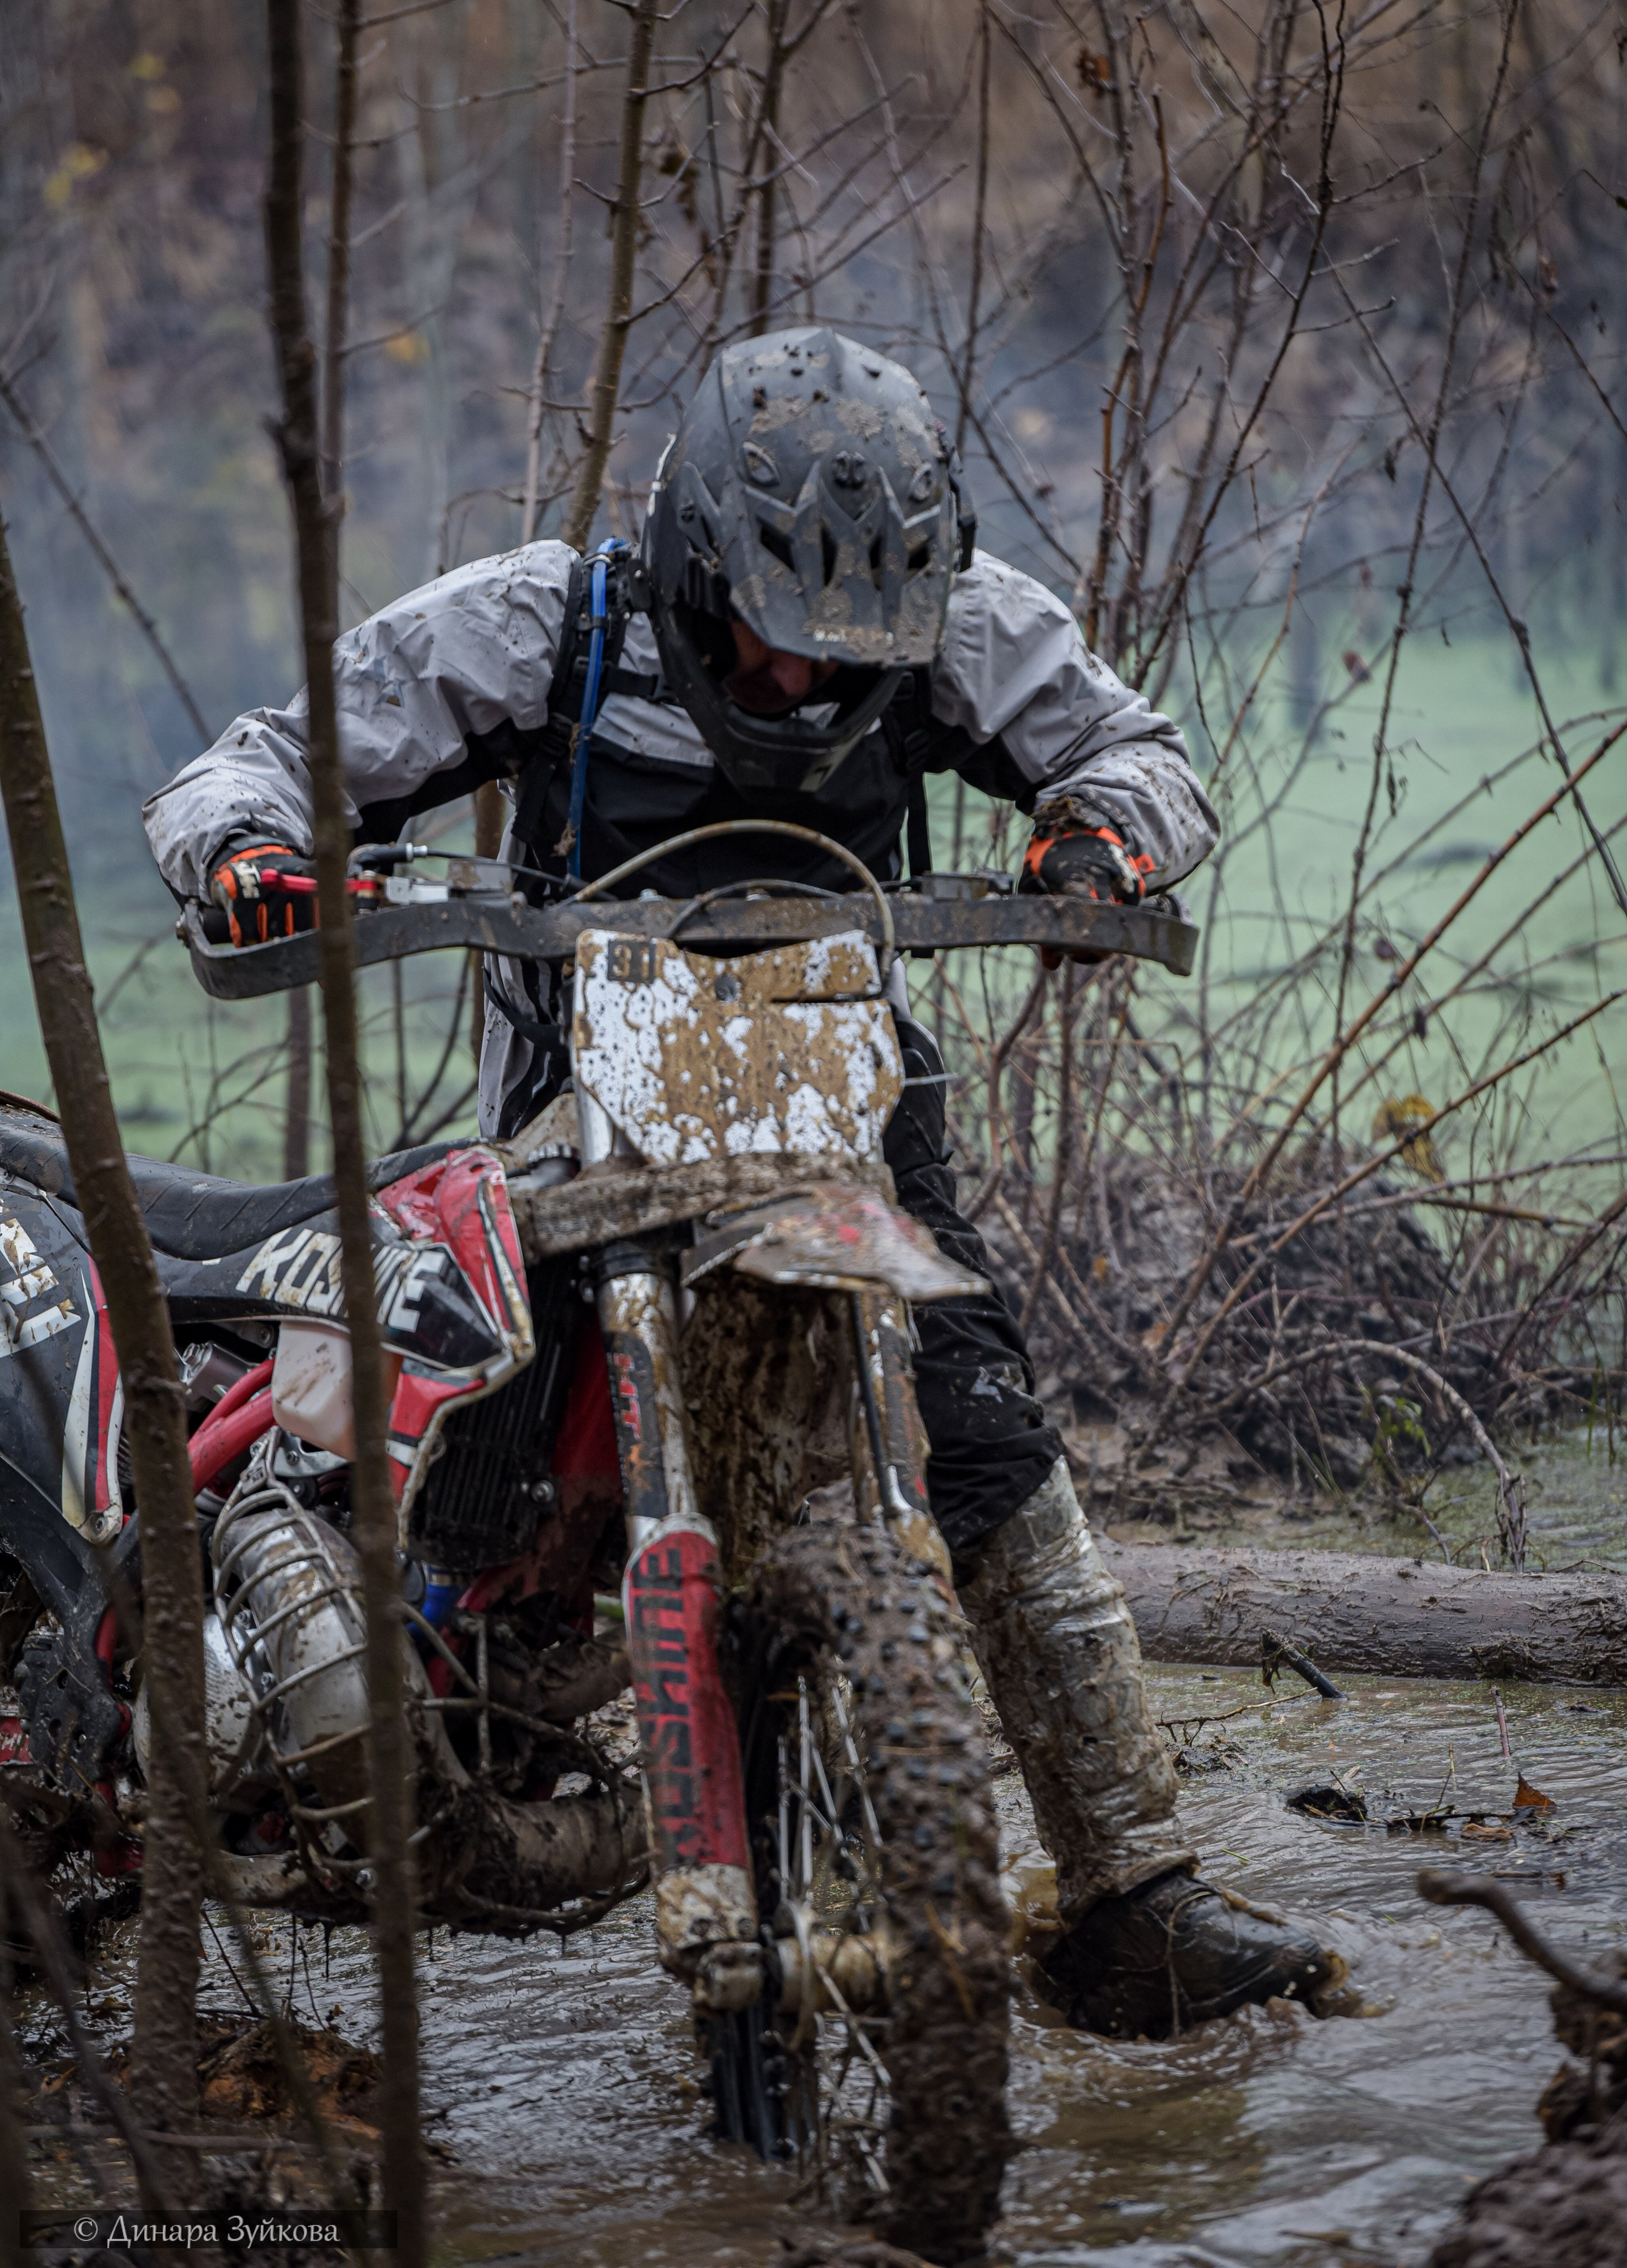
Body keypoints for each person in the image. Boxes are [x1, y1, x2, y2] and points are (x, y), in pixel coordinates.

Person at [143, 325, 1336, 2037]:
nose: (804, 678)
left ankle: (1133, 1890)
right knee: (471, 1475)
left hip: (847, 1118)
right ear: (698, 559)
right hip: (579, 1131)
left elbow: (1139, 753)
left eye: (849, 651)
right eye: (773, 636)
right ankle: (379, 1743)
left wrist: (1107, 838)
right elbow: (260, 756)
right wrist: (249, 850)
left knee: (985, 1437)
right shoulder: (551, 620)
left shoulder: (950, 620)